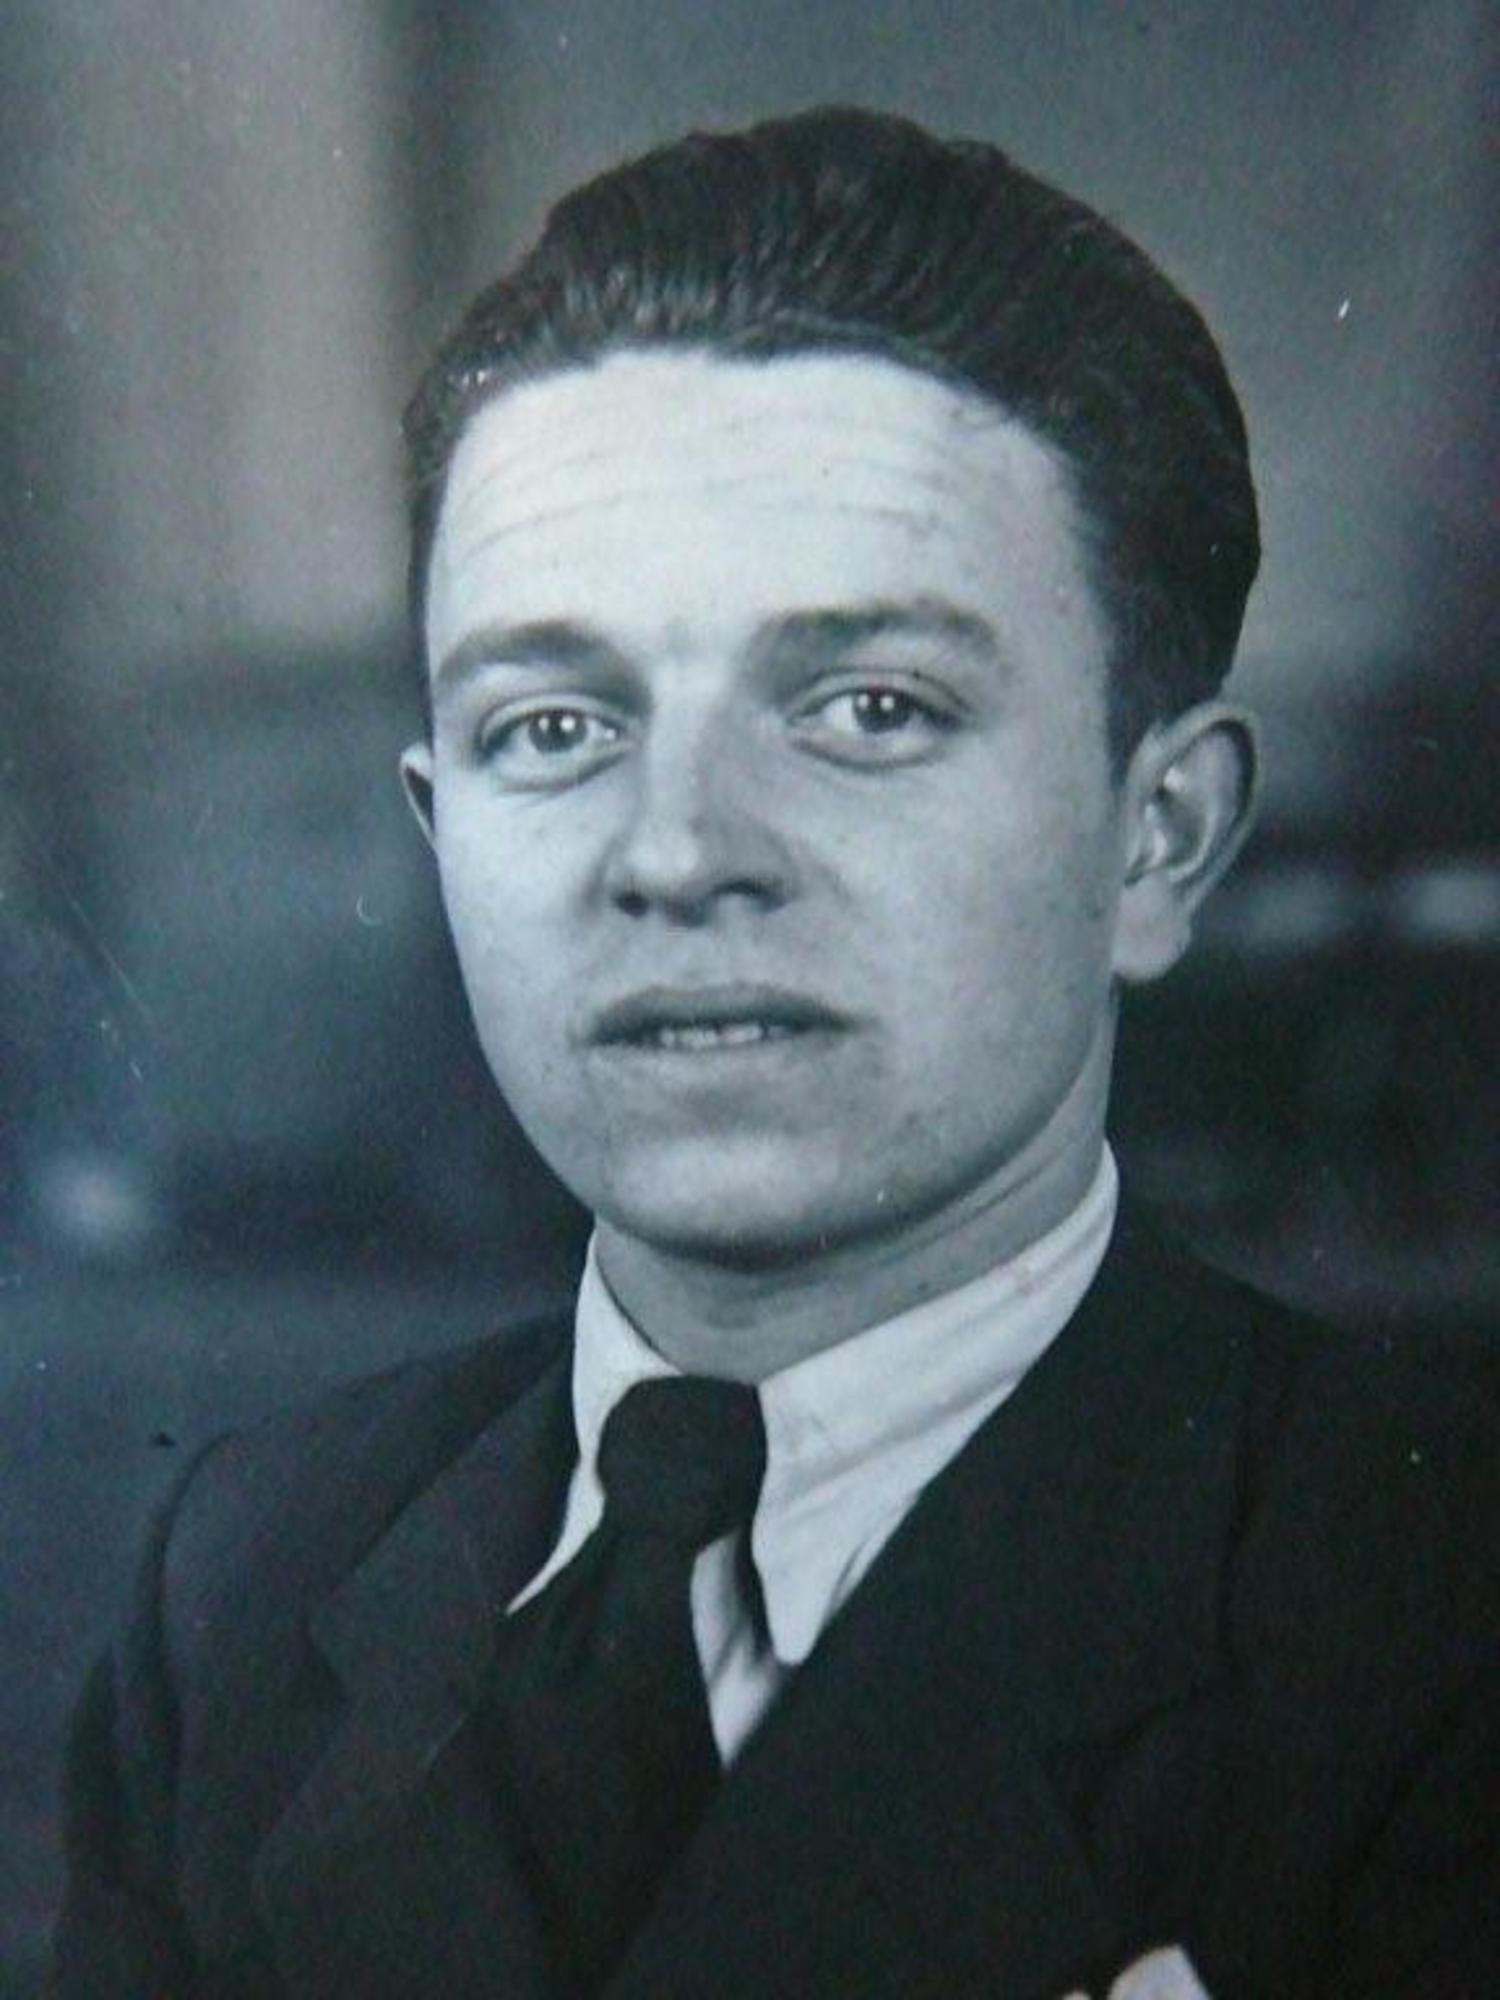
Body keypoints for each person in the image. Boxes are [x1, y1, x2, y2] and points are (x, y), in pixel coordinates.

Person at [49, 107, 1499, 2000]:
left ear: (1158, 839)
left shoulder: (1432, 1608)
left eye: (870, 707)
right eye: (552, 728)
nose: (675, 851)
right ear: (436, 828)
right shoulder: (251, 1575)